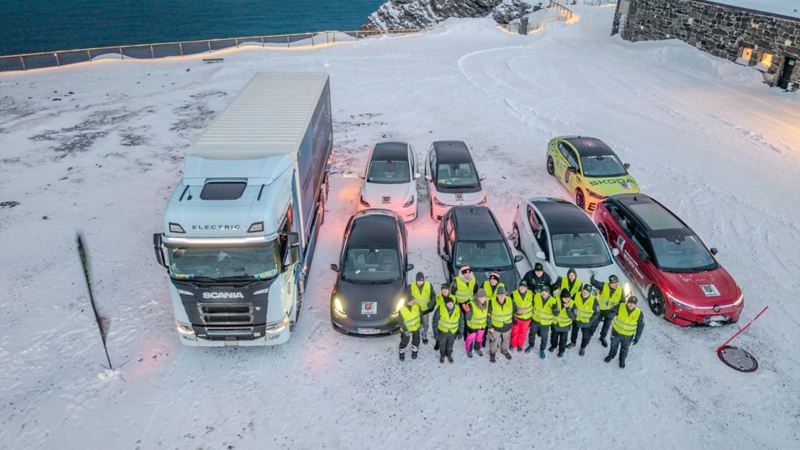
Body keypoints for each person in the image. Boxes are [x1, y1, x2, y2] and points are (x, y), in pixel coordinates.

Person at [604, 296, 644, 368]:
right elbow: (612, 312)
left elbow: (640, 326)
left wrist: (637, 338)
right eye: (630, 303)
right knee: (613, 345)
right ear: (627, 302)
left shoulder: (639, 313)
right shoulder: (620, 306)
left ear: (635, 305)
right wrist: (610, 314)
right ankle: (611, 355)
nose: (631, 305)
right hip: (616, 332)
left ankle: (622, 360)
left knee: (625, 349)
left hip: (628, 336)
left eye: (633, 304)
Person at [590, 273, 625, 347]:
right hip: (600, 309)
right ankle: (590, 334)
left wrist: (615, 311)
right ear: (609, 283)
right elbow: (594, 283)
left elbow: (622, 303)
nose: (615, 284)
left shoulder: (621, 290)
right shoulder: (604, 285)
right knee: (595, 322)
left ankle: (602, 337)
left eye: (616, 282)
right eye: (613, 283)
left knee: (606, 326)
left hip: (610, 311)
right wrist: (592, 277)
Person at [567, 284, 600, 356]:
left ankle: (583, 347)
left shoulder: (594, 300)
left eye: (587, 292)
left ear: (590, 293)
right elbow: (570, 303)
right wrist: (573, 313)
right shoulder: (576, 295)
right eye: (584, 291)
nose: (584, 293)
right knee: (574, 332)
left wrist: (591, 321)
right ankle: (573, 343)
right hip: (576, 320)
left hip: (586, 323)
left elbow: (597, 313)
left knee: (585, 336)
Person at [526, 285, 558, 359]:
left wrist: (554, 309)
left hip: (545, 323)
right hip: (535, 320)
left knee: (544, 337)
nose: (544, 293)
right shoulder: (537, 296)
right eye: (542, 291)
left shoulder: (553, 301)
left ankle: (542, 350)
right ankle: (531, 345)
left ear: (549, 293)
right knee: (532, 333)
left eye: (546, 291)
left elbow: (556, 313)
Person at [433, 292, 462, 363]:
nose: (450, 305)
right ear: (445, 304)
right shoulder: (440, 308)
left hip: (453, 331)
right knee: (442, 343)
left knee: (450, 343)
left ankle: (449, 354)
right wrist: (435, 332)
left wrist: (460, 331)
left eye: (451, 303)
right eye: (448, 304)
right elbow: (435, 320)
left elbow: (461, 321)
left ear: (453, 303)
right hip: (443, 330)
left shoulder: (458, 309)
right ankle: (442, 355)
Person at [408, 271, 436, 345]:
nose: (420, 282)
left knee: (425, 324)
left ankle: (424, 337)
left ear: (423, 280)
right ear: (416, 280)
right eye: (418, 281)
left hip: (425, 311)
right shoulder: (411, 286)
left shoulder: (429, 285)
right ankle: (415, 337)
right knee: (415, 324)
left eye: (421, 280)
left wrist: (429, 308)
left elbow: (433, 297)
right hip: (415, 311)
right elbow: (406, 296)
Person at [488, 286, 513, 363]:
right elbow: (488, 315)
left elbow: (514, 310)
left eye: (503, 295)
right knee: (494, 341)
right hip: (495, 327)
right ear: (497, 295)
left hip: (507, 326)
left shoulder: (510, 300)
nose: (501, 297)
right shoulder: (491, 302)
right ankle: (492, 353)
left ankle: (504, 350)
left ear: (505, 295)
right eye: (499, 295)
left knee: (506, 340)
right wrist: (490, 326)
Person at [464, 288, 489, 358]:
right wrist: (468, 312)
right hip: (472, 326)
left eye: (484, 297)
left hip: (482, 326)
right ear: (477, 297)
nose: (483, 299)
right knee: (470, 339)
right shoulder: (471, 304)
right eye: (481, 297)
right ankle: (469, 350)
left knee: (479, 338)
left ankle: (477, 348)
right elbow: (468, 318)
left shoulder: (486, 304)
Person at [551, 289, 576, 357]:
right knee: (554, 337)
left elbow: (574, 317)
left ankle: (561, 351)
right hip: (556, 324)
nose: (567, 300)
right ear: (561, 297)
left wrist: (568, 308)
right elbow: (552, 310)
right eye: (565, 298)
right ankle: (553, 346)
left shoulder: (573, 304)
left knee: (563, 340)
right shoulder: (555, 300)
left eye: (568, 298)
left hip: (565, 325)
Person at [510, 280, 533, 351]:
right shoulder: (513, 294)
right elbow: (510, 307)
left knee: (523, 333)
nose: (522, 288)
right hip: (517, 318)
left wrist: (532, 319)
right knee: (514, 332)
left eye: (524, 287)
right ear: (518, 287)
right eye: (521, 286)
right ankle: (513, 344)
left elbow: (535, 306)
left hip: (527, 319)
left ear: (527, 288)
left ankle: (520, 345)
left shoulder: (531, 294)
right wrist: (513, 317)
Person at [433, 283, 457, 351]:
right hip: (440, 318)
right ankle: (437, 342)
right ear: (441, 290)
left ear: (448, 290)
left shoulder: (453, 297)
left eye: (446, 289)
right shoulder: (438, 297)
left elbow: (455, 308)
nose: (444, 291)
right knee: (438, 331)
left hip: (449, 318)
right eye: (443, 289)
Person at [398, 296, 421, 361]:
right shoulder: (402, 309)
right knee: (405, 341)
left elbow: (420, 315)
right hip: (406, 330)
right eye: (412, 301)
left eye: (414, 300)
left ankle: (414, 352)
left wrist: (421, 325)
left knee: (416, 341)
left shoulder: (417, 307)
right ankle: (401, 353)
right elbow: (401, 321)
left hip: (416, 328)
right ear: (407, 302)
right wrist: (405, 330)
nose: (414, 302)